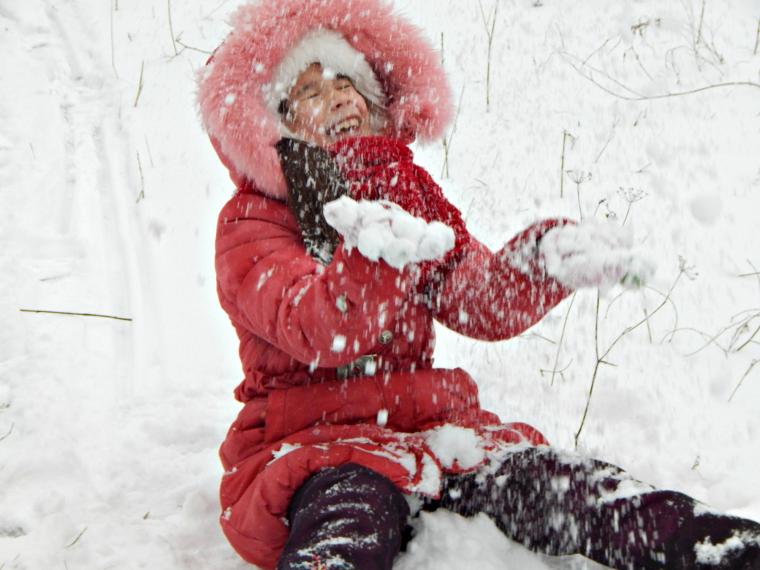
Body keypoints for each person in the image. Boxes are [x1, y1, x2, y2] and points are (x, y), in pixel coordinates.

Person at [197, 1, 760, 568]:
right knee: (349, 519)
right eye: (311, 89)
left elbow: (476, 299)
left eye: (348, 79)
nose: (339, 95)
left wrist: (540, 265)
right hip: (317, 443)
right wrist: (371, 253)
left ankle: (723, 548)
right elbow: (319, 330)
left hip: (431, 430)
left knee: (562, 488)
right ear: (274, 121)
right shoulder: (254, 222)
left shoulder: (405, 193)